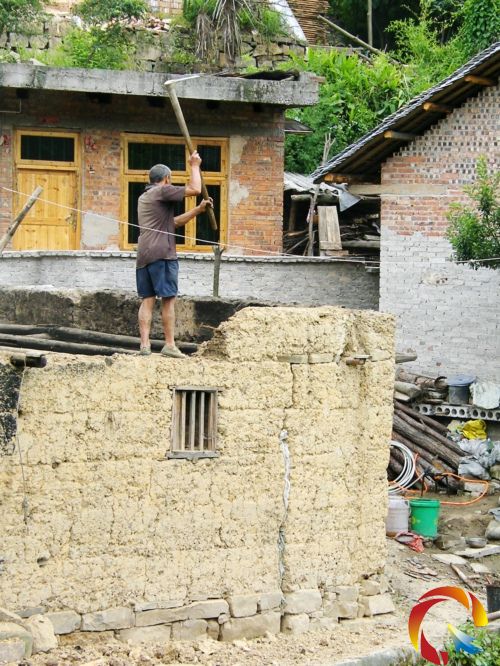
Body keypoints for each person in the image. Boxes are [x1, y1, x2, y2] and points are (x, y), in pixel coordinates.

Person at [136, 151, 212, 357]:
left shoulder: (145, 197)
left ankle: (145, 346)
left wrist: (198, 210)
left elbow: (173, 223)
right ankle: (169, 345)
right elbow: (195, 189)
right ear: (167, 179)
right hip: (162, 254)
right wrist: (194, 165)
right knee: (168, 298)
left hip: (144, 255)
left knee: (147, 299)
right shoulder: (162, 191)